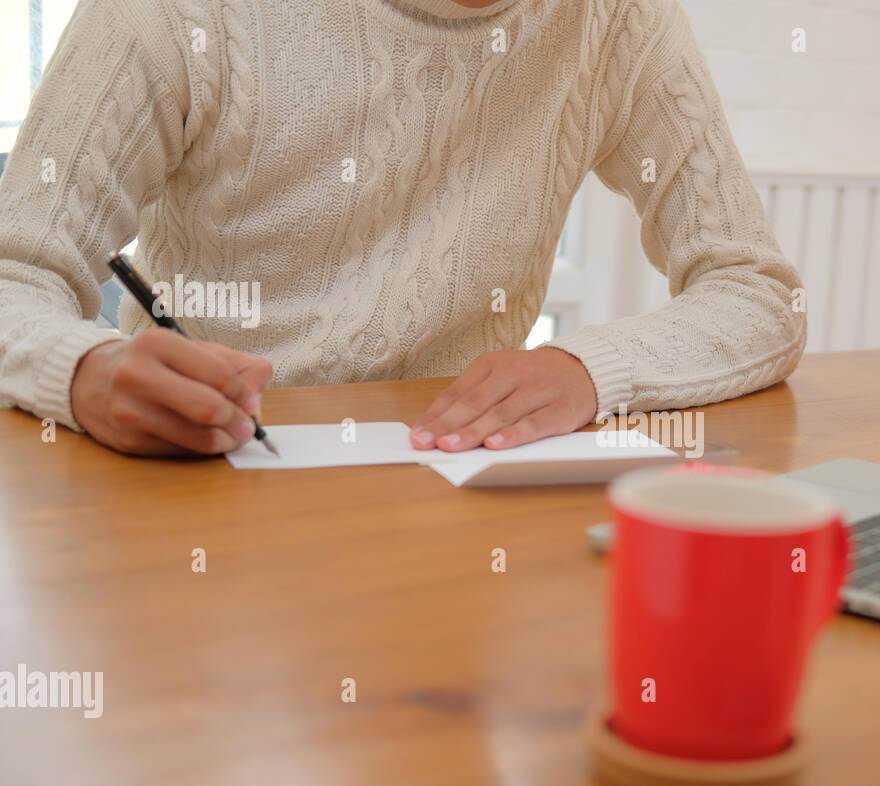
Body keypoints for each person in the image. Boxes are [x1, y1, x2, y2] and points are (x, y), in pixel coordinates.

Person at [0, 0, 803, 456]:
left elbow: (758, 292)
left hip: (449, 497)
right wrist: (84, 372)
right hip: (199, 486)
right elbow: (15, 274)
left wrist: (592, 370)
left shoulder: (616, 18)